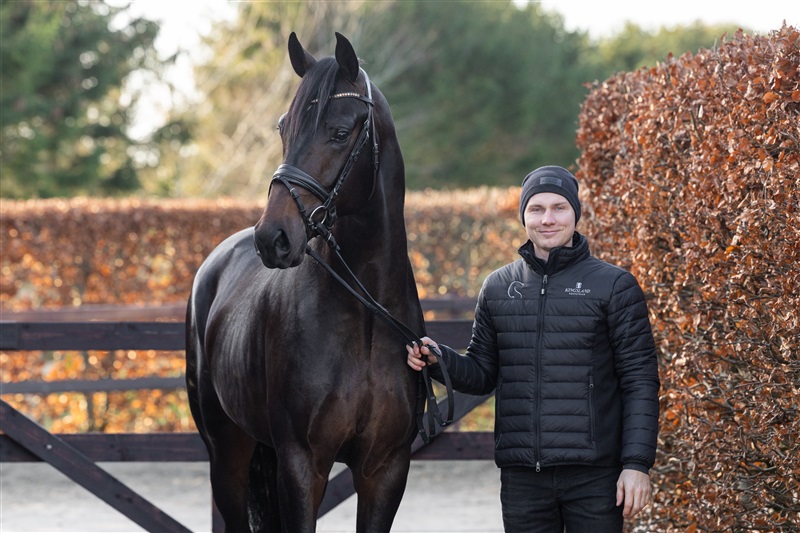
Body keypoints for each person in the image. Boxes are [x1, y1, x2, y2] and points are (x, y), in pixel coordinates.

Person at [407, 165, 660, 532]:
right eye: (536, 209)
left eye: (559, 208)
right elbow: (482, 374)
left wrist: (637, 465)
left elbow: (640, 382)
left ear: (575, 213)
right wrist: (439, 360)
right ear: (523, 216)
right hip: (523, 477)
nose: (547, 219)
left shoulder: (615, 286)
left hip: (595, 476)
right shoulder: (497, 287)